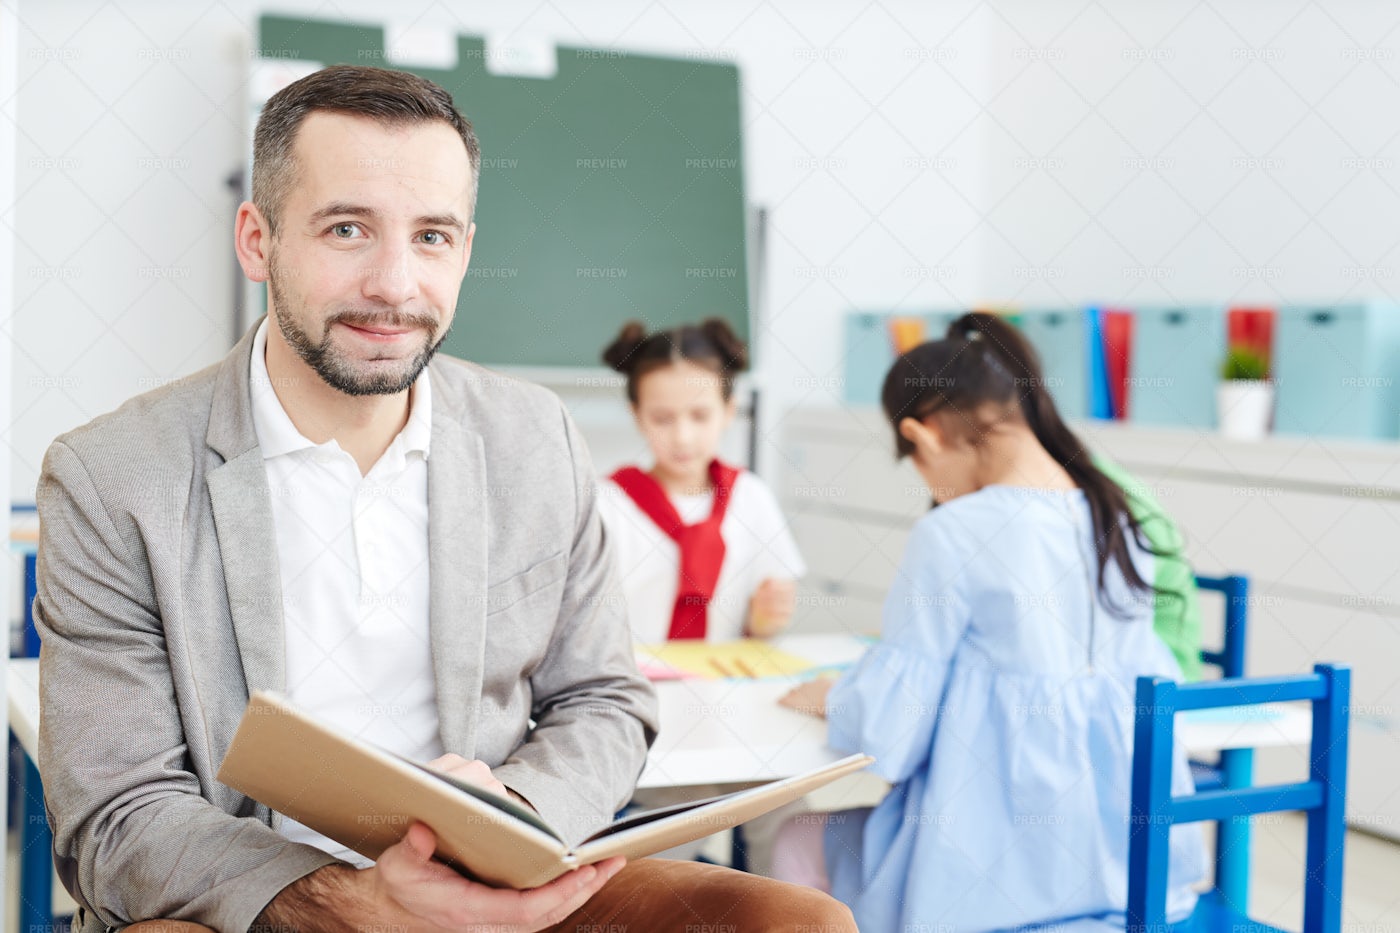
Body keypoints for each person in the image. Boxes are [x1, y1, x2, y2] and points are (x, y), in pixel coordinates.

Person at [34, 64, 855, 933]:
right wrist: (354, 902)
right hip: (253, 906)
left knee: (800, 922)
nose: (394, 284)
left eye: (431, 236)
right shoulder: (111, 475)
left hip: (497, 885)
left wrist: (506, 813)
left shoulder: (535, 438)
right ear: (257, 239)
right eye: (347, 228)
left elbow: (606, 701)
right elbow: (116, 814)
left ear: (465, 247)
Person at [772, 312, 1205, 931]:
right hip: (1127, 871)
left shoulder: (954, 532)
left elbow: (893, 738)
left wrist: (836, 700)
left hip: (991, 875)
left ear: (923, 439)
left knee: (794, 838)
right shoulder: (1117, 517)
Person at [597, 319, 804, 642]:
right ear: (636, 416)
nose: (682, 437)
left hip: (721, 684)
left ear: (729, 411)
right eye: (662, 419)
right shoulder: (605, 504)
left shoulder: (751, 497)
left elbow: (762, 627)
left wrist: (766, 618)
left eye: (700, 416)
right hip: (629, 686)